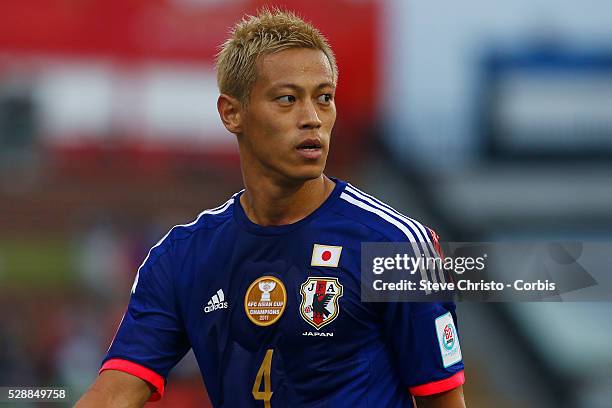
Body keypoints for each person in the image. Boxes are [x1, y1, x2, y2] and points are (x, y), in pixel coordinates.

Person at [76, 9, 466, 408]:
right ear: (232, 113)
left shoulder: (395, 247)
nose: (312, 119)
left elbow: (444, 401)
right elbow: (113, 395)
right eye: (287, 99)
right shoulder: (180, 258)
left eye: (324, 98)